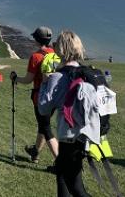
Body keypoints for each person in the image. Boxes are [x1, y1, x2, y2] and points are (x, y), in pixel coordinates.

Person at [39, 31, 100, 197]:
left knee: (76, 187)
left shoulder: (58, 77)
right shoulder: (87, 73)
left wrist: (45, 83)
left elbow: (43, 108)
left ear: (60, 50)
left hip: (69, 137)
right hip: (87, 134)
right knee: (62, 172)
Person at [10, 27, 59, 164]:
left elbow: (28, 80)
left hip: (40, 97)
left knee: (45, 128)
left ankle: (60, 161)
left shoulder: (36, 57)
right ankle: (35, 152)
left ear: (36, 40)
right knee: (43, 125)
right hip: (54, 96)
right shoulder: (55, 54)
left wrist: (15, 78)